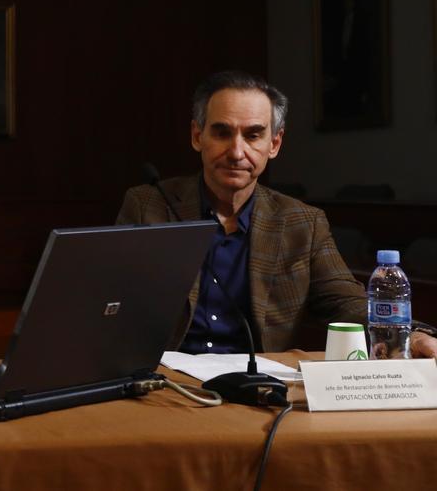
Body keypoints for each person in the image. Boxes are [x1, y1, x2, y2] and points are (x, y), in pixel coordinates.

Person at [116, 70, 436, 357]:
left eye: (253, 135)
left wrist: (415, 335)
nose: (237, 152)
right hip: (163, 384)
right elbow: (112, 301)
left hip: (256, 388)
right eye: (222, 133)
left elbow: (345, 301)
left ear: (275, 143)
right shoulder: (148, 205)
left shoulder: (302, 222)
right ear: (197, 136)